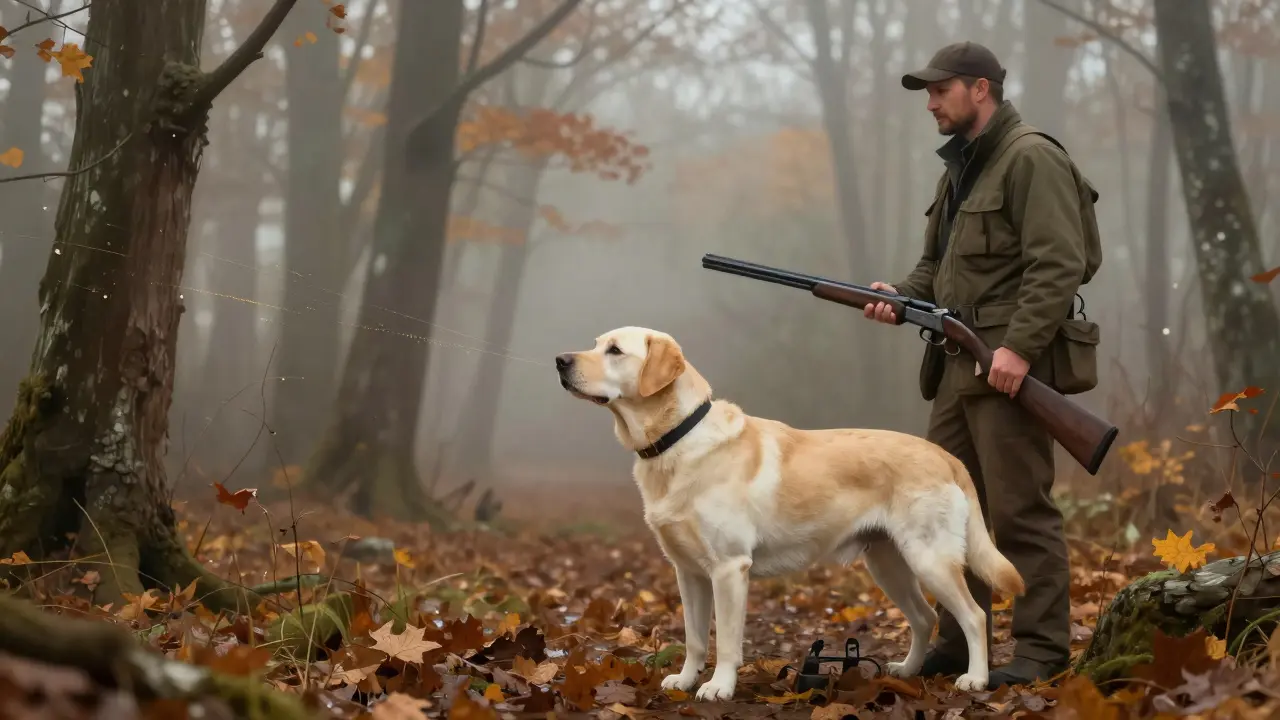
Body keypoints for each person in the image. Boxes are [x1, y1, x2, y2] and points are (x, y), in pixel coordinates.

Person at [864, 41, 1103, 689]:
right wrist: (898, 298)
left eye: (940, 91)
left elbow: (1060, 262)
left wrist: (1020, 349)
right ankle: (955, 642)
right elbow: (937, 268)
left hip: (1007, 371)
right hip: (955, 371)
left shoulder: (1031, 157)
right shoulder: (961, 170)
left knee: (1020, 510)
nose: (931, 104)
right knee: (942, 513)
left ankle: (1042, 651)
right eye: (927, 93)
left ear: (980, 89)